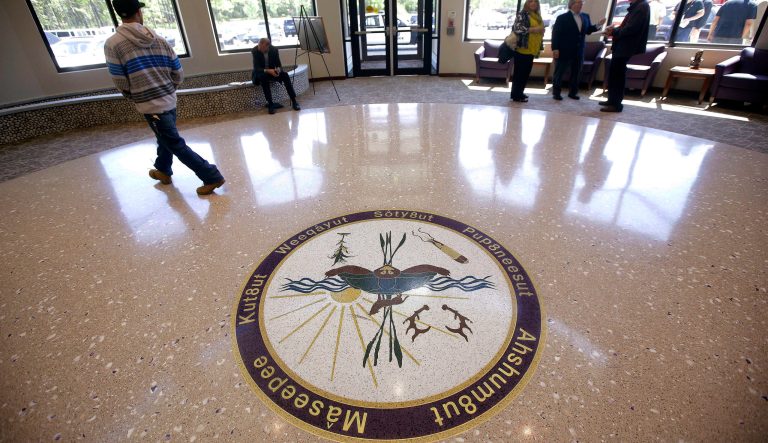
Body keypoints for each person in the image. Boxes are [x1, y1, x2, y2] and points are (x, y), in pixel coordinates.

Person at [104, 0, 225, 195]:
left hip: (150, 105)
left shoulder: (113, 44)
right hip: (169, 99)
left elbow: (119, 79)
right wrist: (168, 88)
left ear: (119, 15)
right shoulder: (159, 40)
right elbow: (178, 73)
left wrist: (133, 94)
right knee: (165, 137)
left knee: (174, 142)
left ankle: (211, 175)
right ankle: (163, 170)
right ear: (138, 12)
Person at [551, 0, 606, 100]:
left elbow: (588, 30)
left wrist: (598, 25)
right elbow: (556, 34)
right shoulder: (562, 18)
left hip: (579, 50)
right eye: (578, 3)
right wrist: (555, 48)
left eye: (581, 3)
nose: (580, 5)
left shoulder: (585, 16)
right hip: (564, 50)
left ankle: (573, 92)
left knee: (576, 73)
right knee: (560, 72)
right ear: (571, 4)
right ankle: (556, 93)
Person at [601, 0, 650, 112]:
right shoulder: (638, 6)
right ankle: (612, 100)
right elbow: (626, 26)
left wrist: (613, 32)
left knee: (618, 76)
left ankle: (616, 104)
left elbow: (631, 29)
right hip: (622, 46)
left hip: (626, 47)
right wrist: (614, 30)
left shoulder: (642, 6)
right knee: (614, 74)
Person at [251, 38, 301, 114]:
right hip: (261, 72)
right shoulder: (255, 51)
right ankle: (270, 104)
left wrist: (277, 70)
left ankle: (294, 101)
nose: (260, 49)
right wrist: (268, 70)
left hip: (272, 71)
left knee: (285, 75)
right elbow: (257, 68)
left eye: (262, 48)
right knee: (263, 78)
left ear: (268, 46)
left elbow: (278, 65)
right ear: (259, 44)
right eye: (259, 47)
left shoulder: (274, 50)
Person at [510, 0, 546, 103]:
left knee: (525, 73)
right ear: (527, 3)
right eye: (531, 1)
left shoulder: (536, 15)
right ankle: (516, 95)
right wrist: (535, 30)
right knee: (520, 74)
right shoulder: (523, 14)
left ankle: (519, 92)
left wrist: (541, 30)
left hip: (532, 48)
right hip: (522, 48)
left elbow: (540, 28)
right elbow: (517, 28)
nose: (533, 3)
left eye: (535, 1)